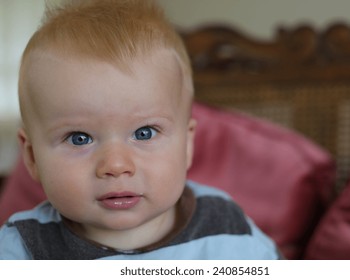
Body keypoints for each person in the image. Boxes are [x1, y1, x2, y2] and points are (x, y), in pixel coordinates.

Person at [0, 0, 280, 259]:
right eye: (79, 138)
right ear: (33, 157)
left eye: (144, 133)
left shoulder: (226, 229)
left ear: (186, 145)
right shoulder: (21, 249)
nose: (116, 165)